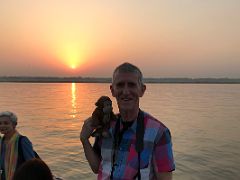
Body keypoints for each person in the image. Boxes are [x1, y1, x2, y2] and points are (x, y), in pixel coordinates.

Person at [80, 62, 175, 179]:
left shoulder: (159, 133)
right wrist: (84, 140)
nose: (125, 91)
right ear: (112, 90)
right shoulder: (106, 125)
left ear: (142, 90)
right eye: (120, 85)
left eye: (131, 85)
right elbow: (97, 168)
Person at [0, 111, 37, 180]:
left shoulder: (22, 141)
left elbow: (32, 164)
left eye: (6, 123)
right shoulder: (1, 142)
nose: (2, 126)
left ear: (14, 124)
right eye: (0, 123)